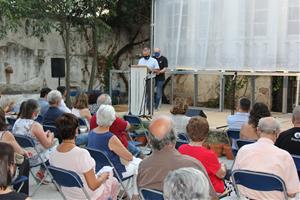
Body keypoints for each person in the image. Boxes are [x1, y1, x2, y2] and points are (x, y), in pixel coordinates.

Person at [137, 116, 217, 199]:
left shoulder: (143, 165)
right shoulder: (192, 164)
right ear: (175, 138)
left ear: (150, 140)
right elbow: (212, 197)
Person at [50, 113, 119, 200]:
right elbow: (93, 186)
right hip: (89, 196)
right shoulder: (81, 154)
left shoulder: (52, 153)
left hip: (69, 195)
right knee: (113, 180)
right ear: (76, 130)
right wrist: (103, 176)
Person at [233, 117, 300, 199]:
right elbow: (292, 193)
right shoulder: (284, 156)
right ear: (277, 133)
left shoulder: (243, 150)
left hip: (246, 197)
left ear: (258, 130)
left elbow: (233, 178)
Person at [87, 105, 141, 199]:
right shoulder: (110, 137)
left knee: (134, 162)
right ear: (112, 120)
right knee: (139, 163)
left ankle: (124, 191)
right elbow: (129, 157)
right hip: (113, 171)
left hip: (98, 168)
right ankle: (135, 195)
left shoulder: (91, 133)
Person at [178, 117, 226, 194]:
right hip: (210, 191)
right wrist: (223, 166)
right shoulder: (209, 154)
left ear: (188, 132)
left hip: (190, 187)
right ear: (206, 134)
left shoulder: (181, 149)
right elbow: (221, 175)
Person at [12, 99, 57, 182]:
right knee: (56, 145)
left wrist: (43, 134)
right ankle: (52, 176)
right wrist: (50, 136)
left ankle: (41, 173)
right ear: (34, 113)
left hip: (21, 154)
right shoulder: (35, 125)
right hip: (33, 157)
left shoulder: (17, 122)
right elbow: (47, 145)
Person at [0, 108, 30, 195]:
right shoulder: (5, 135)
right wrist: (24, 152)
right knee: (25, 160)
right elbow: (20, 152)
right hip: (3, 175)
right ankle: (21, 194)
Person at [138, 47, 159, 114]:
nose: (145, 56)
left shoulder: (154, 60)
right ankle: (140, 110)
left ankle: (150, 111)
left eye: (146, 54)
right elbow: (138, 68)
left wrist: (151, 70)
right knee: (141, 95)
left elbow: (158, 71)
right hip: (142, 79)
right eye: (144, 54)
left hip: (150, 79)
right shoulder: (141, 60)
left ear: (149, 53)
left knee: (150, 95)